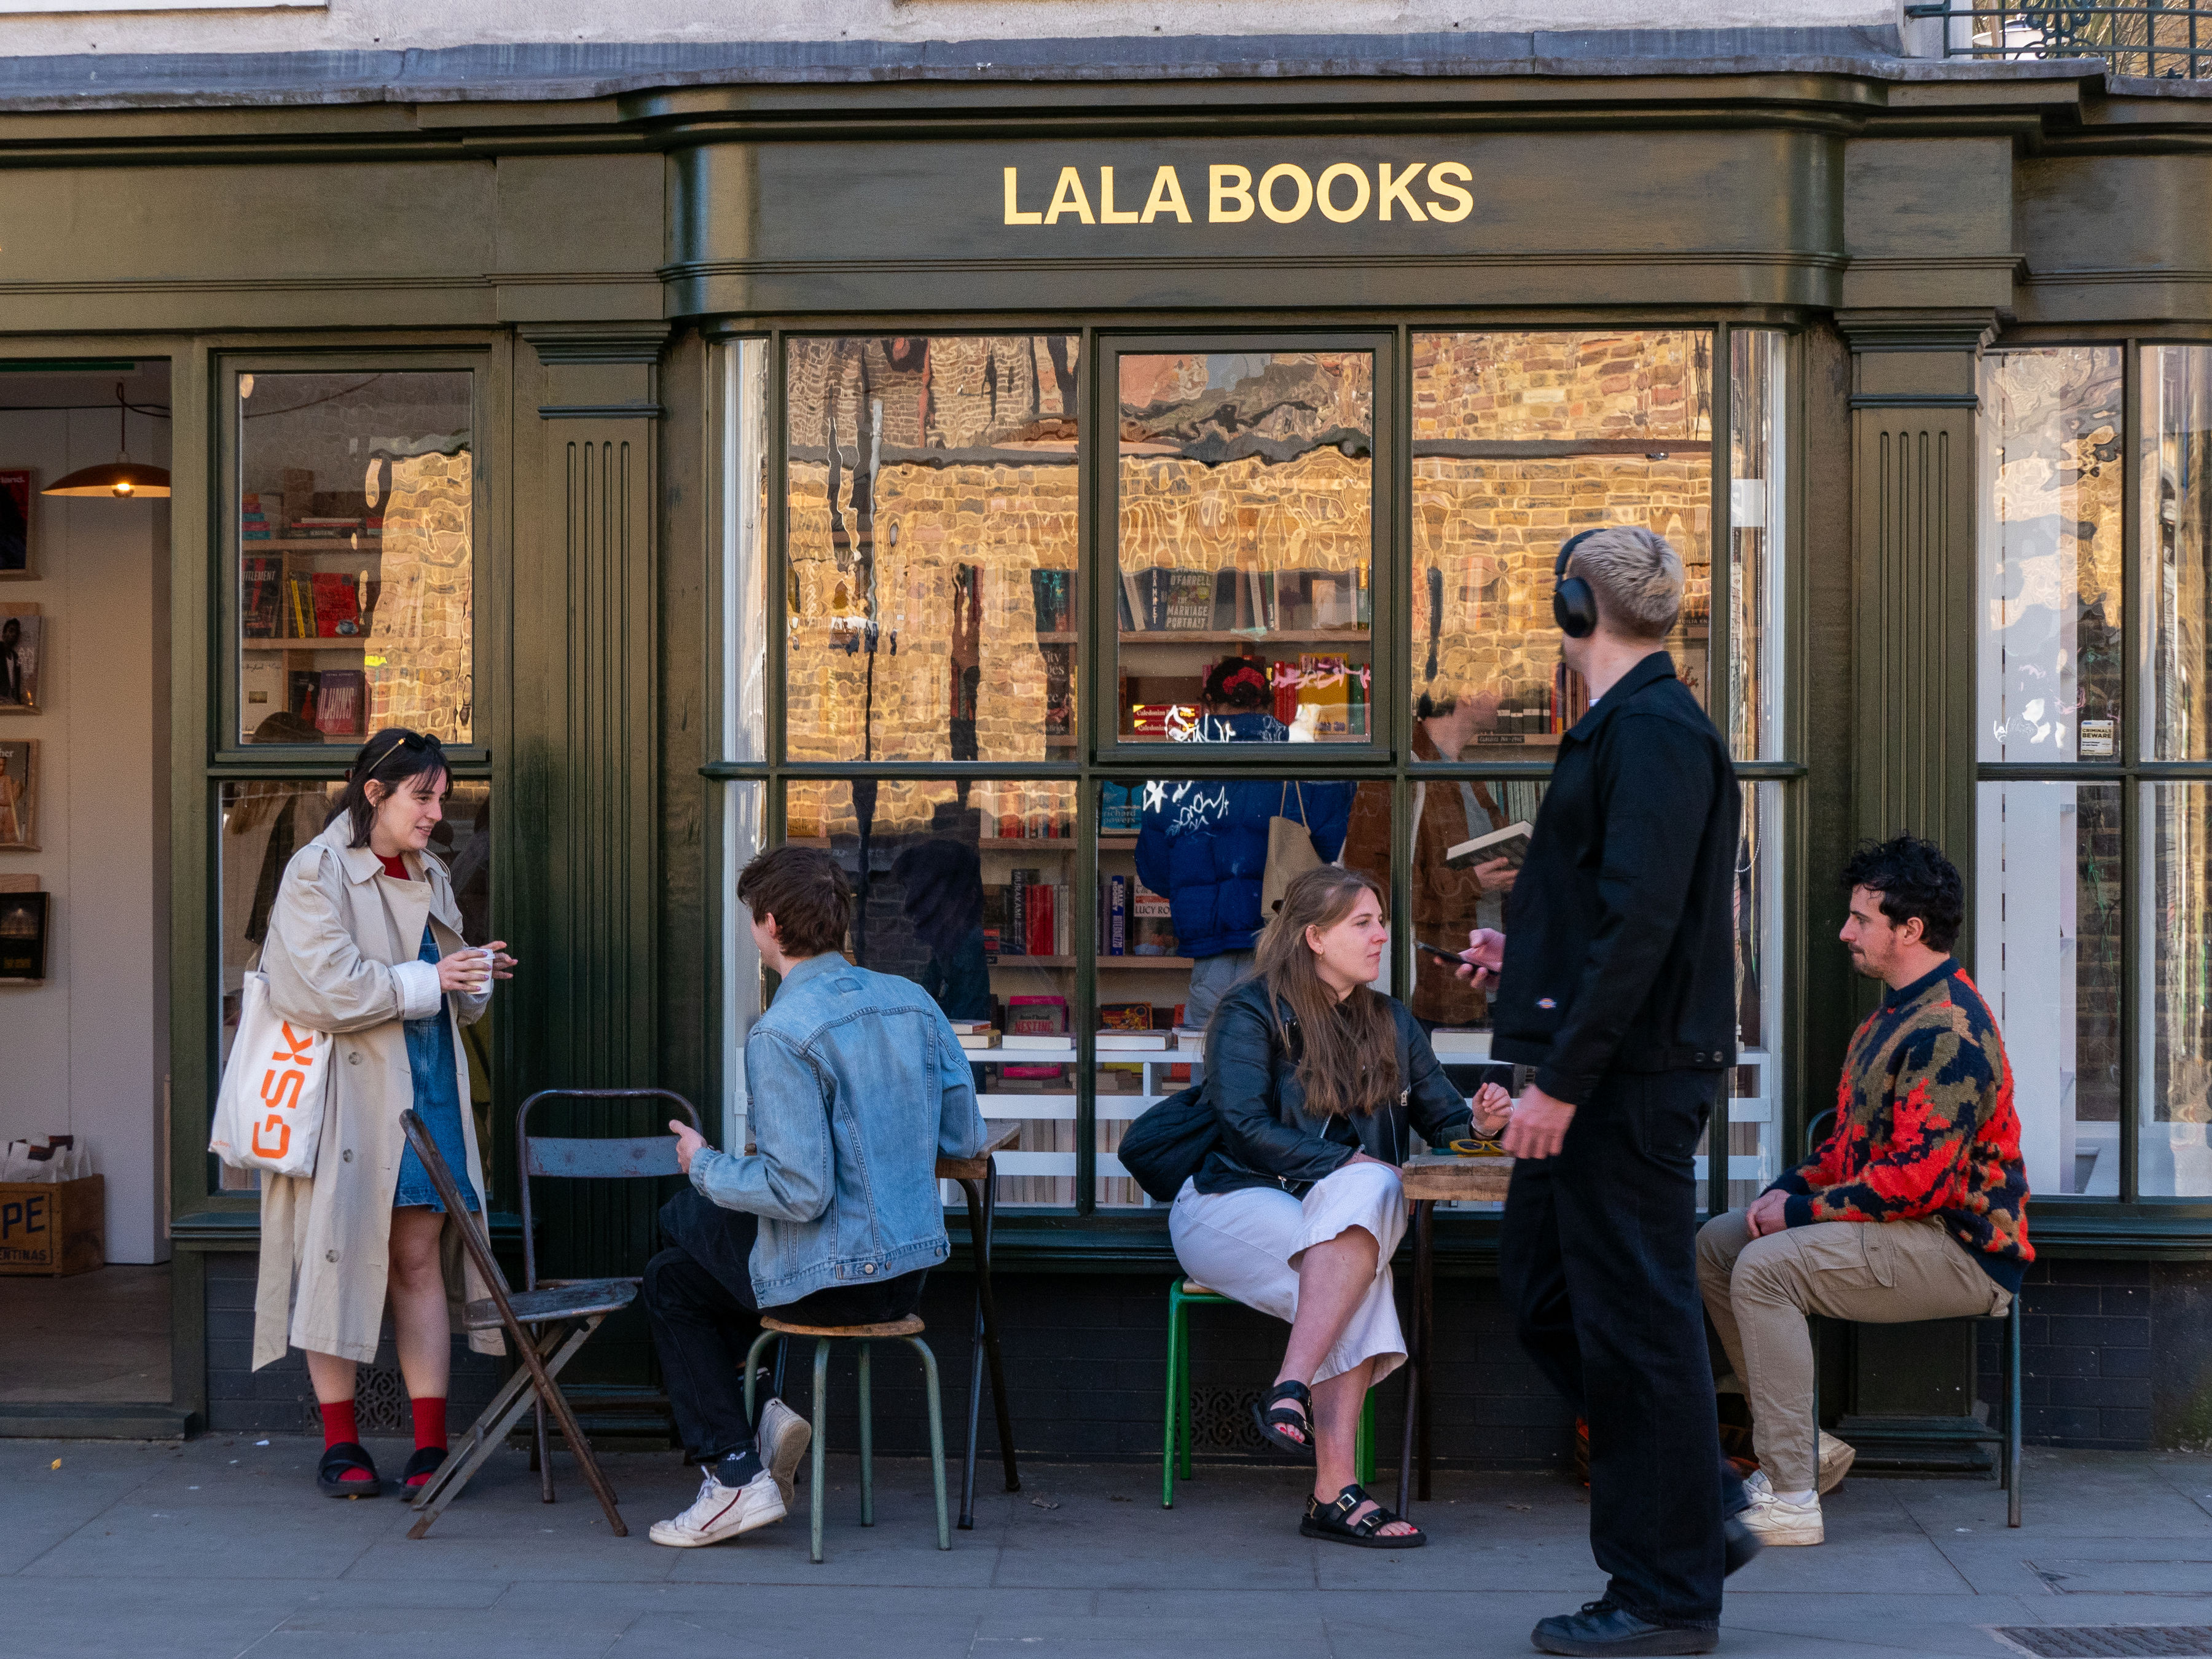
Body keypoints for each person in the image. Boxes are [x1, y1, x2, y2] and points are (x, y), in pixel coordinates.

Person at [1456, 527, 1750, 1657]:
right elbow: (1607, 914)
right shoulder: (1624, 728)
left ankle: (1666, 1596)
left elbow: (1643, 927)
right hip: (1598, 1072)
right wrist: (1522, 959)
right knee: (1544, 1295)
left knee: (1638, 1326)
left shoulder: (1657, 733)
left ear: (1574, 605)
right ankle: (1700, 1504)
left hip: (1626, 1085)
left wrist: (1564, 1086)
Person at [645, 845, 988, 1548]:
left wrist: (703, 1163)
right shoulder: (915, 1002)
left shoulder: (780, 1033)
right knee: (682, 1256)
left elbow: (798, 1192)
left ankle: (736, 1469)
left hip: (834, 1282)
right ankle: (759, 1419)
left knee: (672, 1264)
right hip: (909, 1276)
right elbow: (964, 1136)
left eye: (752, 918)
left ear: (770, 924)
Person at [1697, 837, 2032, 1547]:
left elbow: (1918, 1183)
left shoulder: (1949, 1032)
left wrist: (1797, 1214)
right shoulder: (1891, 1019)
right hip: (1906, 1228)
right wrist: (1781, 1194)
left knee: (1766, 1268)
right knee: (1721, 1244)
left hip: (1961, 1248)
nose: (1846, 932)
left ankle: (1792, 1497)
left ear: (1910, 929)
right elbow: (1849, 1151)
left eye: (1860, 919)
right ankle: (1807, 1450)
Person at [1169, 865, 1510, 1550]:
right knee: (1370, 1214)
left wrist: (1481, 1125)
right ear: (1315, 937)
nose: (1382, 935)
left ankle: (1290, 1390)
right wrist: (1348, 1163)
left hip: (1337, 1216)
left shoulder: (1391, 1020)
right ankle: (1333, 1493)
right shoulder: (1250, 1010)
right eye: (1364, 923)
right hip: (1229, 1202)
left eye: (1382, 922)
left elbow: (1444, 1121)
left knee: (1365, 1221)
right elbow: (1242, 1126)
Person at [249, 727, 516, 1499]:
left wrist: (473, 979)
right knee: (336, 1255)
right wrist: (435, 982)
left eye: (442, 798)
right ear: (375, 793)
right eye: (423, 797)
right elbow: (325, 988)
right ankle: (341, 1445)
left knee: (418, 1261)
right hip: (346, 1098)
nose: (437, 812)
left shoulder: (432, 871)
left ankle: (430, 1446)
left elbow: (446, 996)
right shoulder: (315, 872)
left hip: (427, 1088)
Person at [1137, 657, 1352, 1032]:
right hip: (1289, 946)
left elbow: (1155, 871)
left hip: (1212, 954)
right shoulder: (1306, 755)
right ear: (1268, 703)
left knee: (1216, 1057)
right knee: (1292, 1054)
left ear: (1207, 703)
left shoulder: (1172, 764)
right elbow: (1333, 853)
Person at [1341, 688, 1515, 1030]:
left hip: (1486, 983)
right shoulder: (1398, 771)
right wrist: (1472, 882)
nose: (1504, 695)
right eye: (1495, 683)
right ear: (1465, 692)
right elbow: (1375, 889)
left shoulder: (1466, 773)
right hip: (1430, 990)